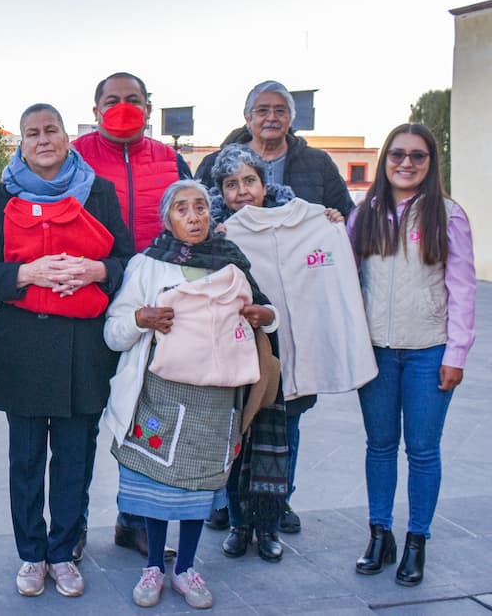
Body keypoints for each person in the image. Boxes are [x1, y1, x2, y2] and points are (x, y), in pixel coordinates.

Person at [0, 104, 133, 598]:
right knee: (25, 459)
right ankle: (31, 555)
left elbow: (126, 260)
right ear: (21, 142)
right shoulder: (0, 198)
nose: (42, 139)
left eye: (51, 130)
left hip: (84, 346)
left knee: (74, 457)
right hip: (23, 345)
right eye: (32, 133)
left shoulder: (97, 191)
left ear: (66, 137)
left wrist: (95, 271)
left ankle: (63, 553)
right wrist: (27, 274)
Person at [102, 180, 277, 609]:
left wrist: (261, 315)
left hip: (216, 396)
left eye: (201, 207)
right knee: (156, 480)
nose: (194, 215)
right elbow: (113, 331)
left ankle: (187, 567)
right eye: (182, 208)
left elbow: (269, 313)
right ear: (167, 218)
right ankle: (154, 567)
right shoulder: (147, 265)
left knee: (200, 485)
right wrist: (141, 318)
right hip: (159, 392)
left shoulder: (230, 264)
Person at [196, 80, 356, 535]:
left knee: (289, 409)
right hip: (233, 309)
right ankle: (226, 499)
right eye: (262, 109)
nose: (271, 117)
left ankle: (278, 499)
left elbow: (342, 214)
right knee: (231, 411)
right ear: (247, 116)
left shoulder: (317, 163)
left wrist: (333, 220)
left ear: (291, 117)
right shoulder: (214, 162)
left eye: (280, 109)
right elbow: (196, 217)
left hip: (296, 312)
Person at [208, 145, 374, 563]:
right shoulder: (219, 233)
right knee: (236, 439)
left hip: (292, 358)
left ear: (265, 184)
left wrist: (332, 223)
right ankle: (238, 520)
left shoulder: (310, 220)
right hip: (241, 357)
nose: (242, 191)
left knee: (286, 435)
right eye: (231, 184)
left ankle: (270, 520)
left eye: (250, 180)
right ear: (221, 192)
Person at [348, 123, 475, 586]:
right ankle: (379, 533)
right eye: (397, 154)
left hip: (429, 352)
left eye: (417, 156)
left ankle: (416, 538)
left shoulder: (448, 215)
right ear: (385, 160)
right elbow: (344, 279)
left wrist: (456, 352)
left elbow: (462, 290)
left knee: (422, 451)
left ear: (430, 163)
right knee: (379, 447)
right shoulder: (364, 214)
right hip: (376, 353)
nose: (406, 163)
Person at [71, 71, 191, 559]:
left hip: (155, 310)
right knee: (82, 421)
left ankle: (134, 519)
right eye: (113, 100)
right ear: (96, 108)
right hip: (88, 304)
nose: (124, 107)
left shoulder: (171, 158)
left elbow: (197, 218)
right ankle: (72, 524)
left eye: (134, 100)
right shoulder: (74, 155)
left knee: (146, 418)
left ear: (148, 106)